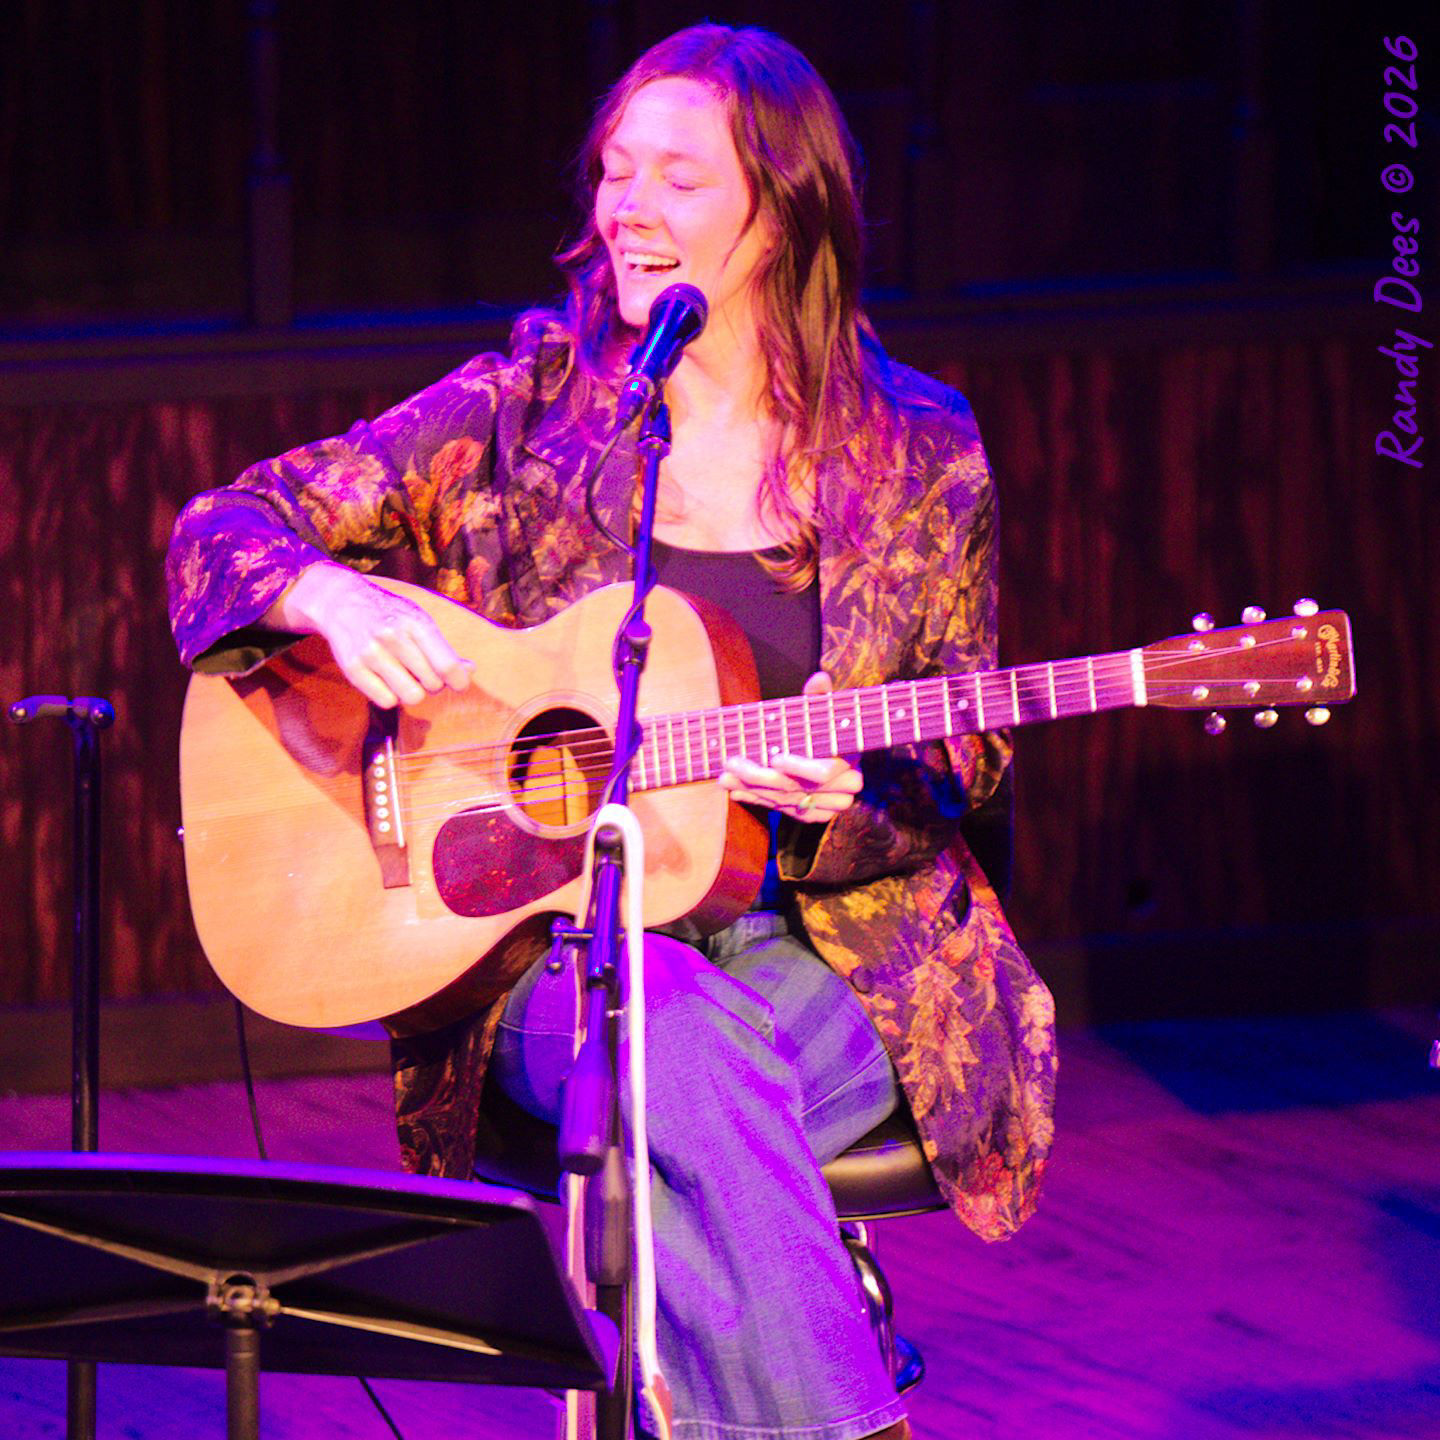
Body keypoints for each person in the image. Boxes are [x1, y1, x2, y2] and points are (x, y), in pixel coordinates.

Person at [167, 23, 1057, 1440]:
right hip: (550, 950)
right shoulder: (528, 411)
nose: (626, 208)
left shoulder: (919, 449)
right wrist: (327, 594)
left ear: (780, 212)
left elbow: (968, 760)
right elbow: (225, 529)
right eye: (614, 171)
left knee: (670, 1088)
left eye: (677, 178)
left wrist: (844, 799)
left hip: (834, 956)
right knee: (657, 1043)